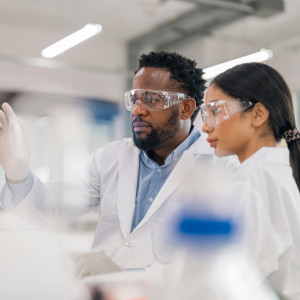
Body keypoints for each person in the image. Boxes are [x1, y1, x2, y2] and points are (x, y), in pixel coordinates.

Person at [0, 51, 234, 276]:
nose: (138, 110)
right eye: (134, 99)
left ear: (185, 108)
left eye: (152, 100)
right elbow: (52, 209)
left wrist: (130, 273)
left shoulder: (220, 167)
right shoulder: (109, 158)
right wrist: (17, 175)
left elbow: (218, 263)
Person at [200, 62, 300, 300]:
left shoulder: (252, 180)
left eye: (215, 111)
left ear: (257, 114)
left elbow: (230, 286)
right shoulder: (282, 169)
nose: (205, 127)